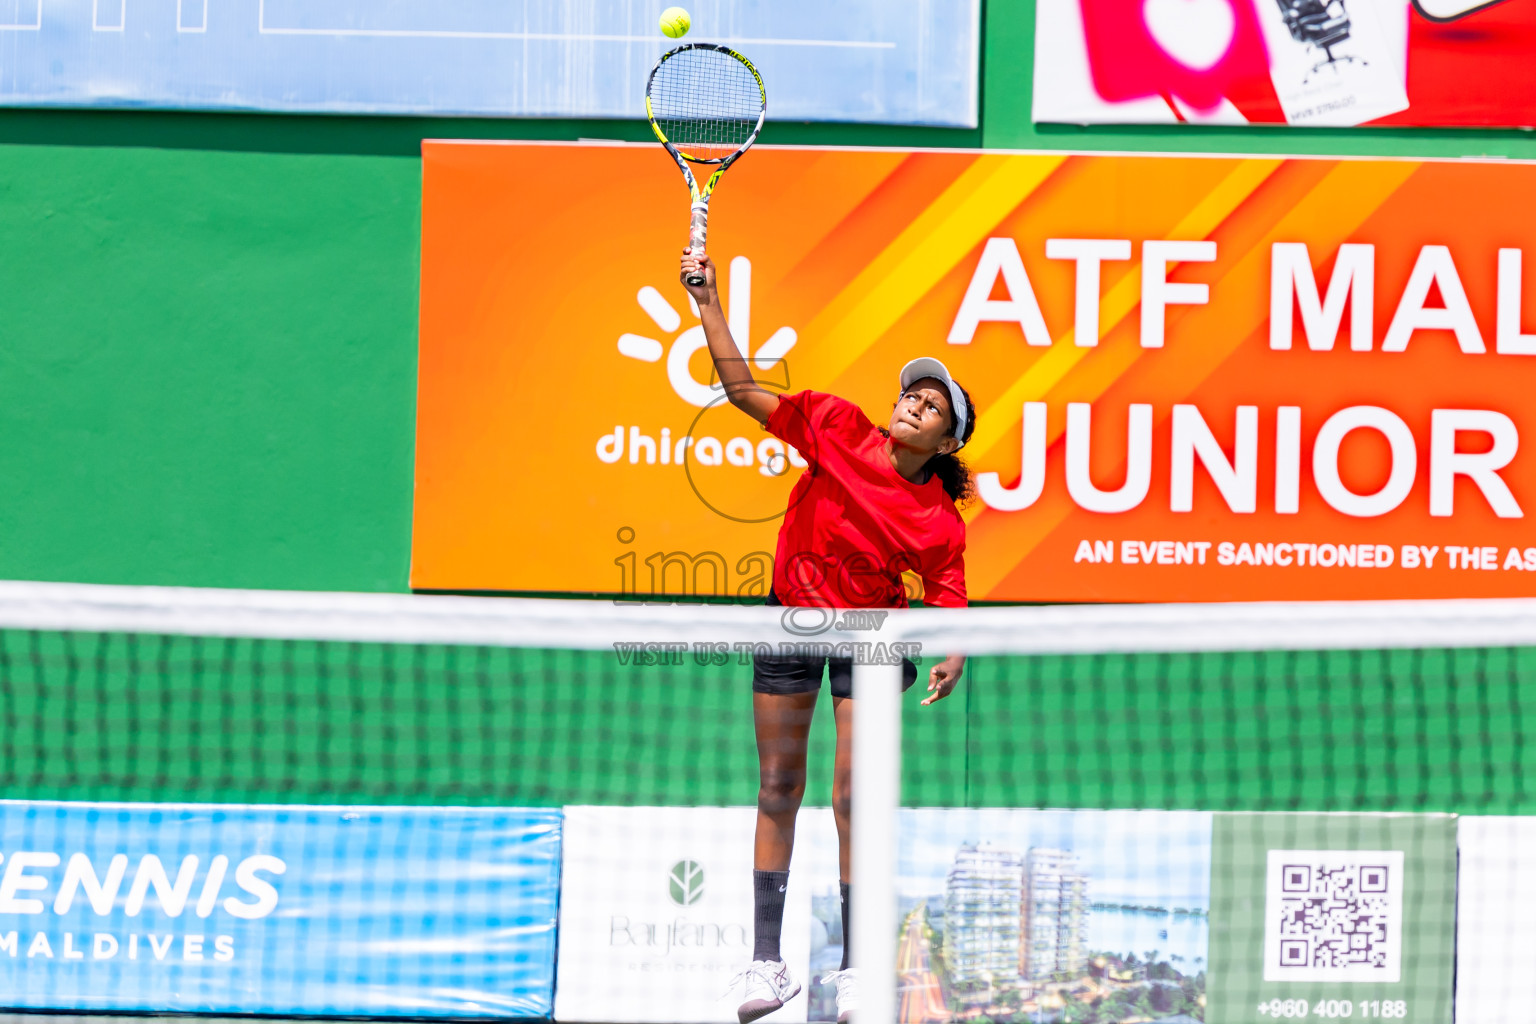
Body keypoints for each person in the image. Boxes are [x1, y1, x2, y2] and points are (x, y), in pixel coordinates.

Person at [679, 249, 972, 1024]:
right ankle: (766, 966)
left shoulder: (937, 519)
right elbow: (742, 392)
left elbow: (946, 593)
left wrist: (952, 651)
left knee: (853, 799)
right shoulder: (836, 425)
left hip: (869, 640)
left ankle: (857, 972)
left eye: (933, 406)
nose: (915, 403)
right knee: (779, 788)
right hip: (790, 618)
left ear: (944, 444)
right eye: (913, 393)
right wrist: (707, 300)